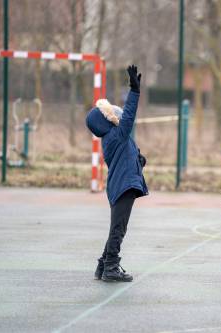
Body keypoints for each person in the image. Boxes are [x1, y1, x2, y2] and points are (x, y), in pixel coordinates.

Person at [86, 65, 148, 282]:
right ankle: (111, 267)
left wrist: (139, 162)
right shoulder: (116, 134)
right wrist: (135, 90)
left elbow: (126, 156)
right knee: (118, 229)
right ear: (107, 120)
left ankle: (103, 265)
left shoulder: (113, 138)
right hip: (123, 187)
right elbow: (129, 114)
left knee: (116, 227)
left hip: (121, 184)